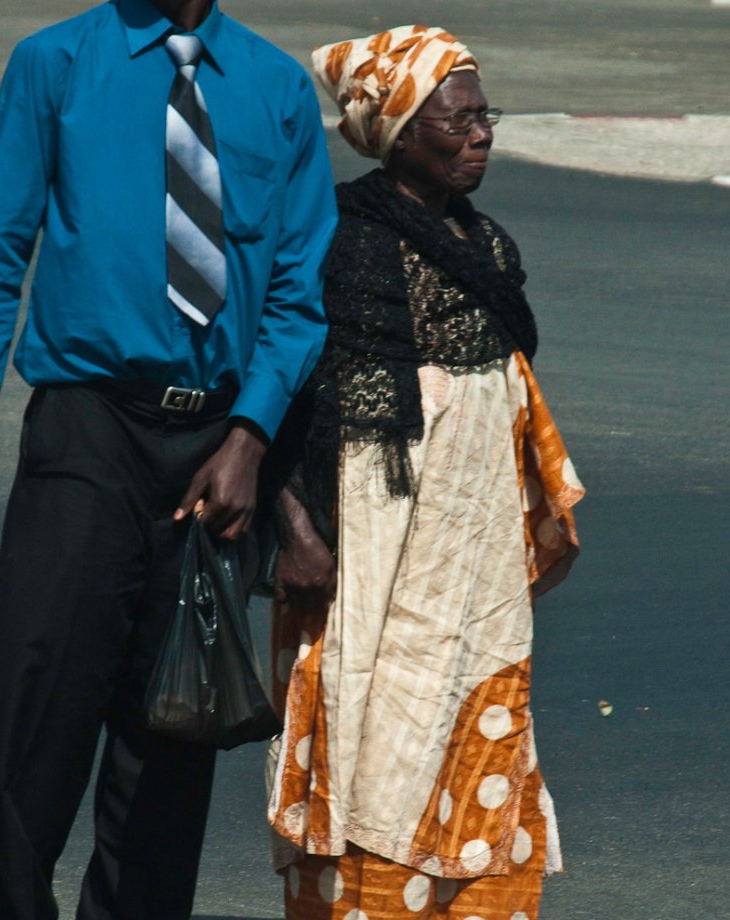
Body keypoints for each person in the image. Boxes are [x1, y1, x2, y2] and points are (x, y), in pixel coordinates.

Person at [0, 0, 337, 917]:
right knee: (40, 718)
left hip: (218, 449)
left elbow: (302, 292)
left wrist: (251, 436)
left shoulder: (275, 88)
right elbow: (0, 244)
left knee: (172, 742)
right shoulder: (55, 63)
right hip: (87, 427)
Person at [266, 25, 585, 920]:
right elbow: (289, 403)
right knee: (374, 735)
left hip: (468, 558)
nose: (480, 135)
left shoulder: (490, 248)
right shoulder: (344, 242)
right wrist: (296, 531)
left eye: (485, 117)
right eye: (457, 121)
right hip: (371, 555)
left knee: (474, 711)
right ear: (398, 131)